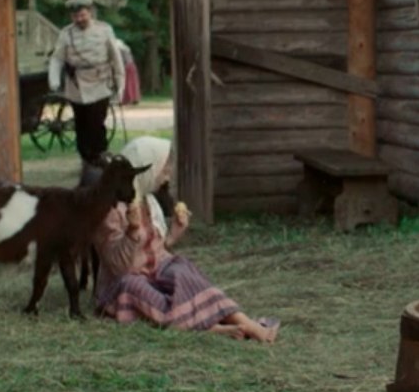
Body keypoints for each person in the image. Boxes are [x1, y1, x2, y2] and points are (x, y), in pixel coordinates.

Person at [92, 136, 280, 342]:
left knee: (182, 271)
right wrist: (132, 230)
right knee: (134, 287)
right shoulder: (109, 210)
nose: (167, 174)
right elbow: (119, 267)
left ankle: (244, 321)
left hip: (155, 271)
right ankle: (209, 328)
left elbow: (154, 251)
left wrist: (173, 234)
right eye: (163, 168)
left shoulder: (148, 200)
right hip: (128, 280)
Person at [48, 0, 122, 166]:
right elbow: (57, 58)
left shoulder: (104, 30)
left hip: (100, 83)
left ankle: (100, 157)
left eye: (82, 15)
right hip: (77, 86)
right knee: (81, 125)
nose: (79, 19)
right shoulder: (66, 33)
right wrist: (54, 81)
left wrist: (120, 81)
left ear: (90, 13)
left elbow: (115, 57)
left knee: (96, 123)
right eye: (75, 16)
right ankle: (86, 160)